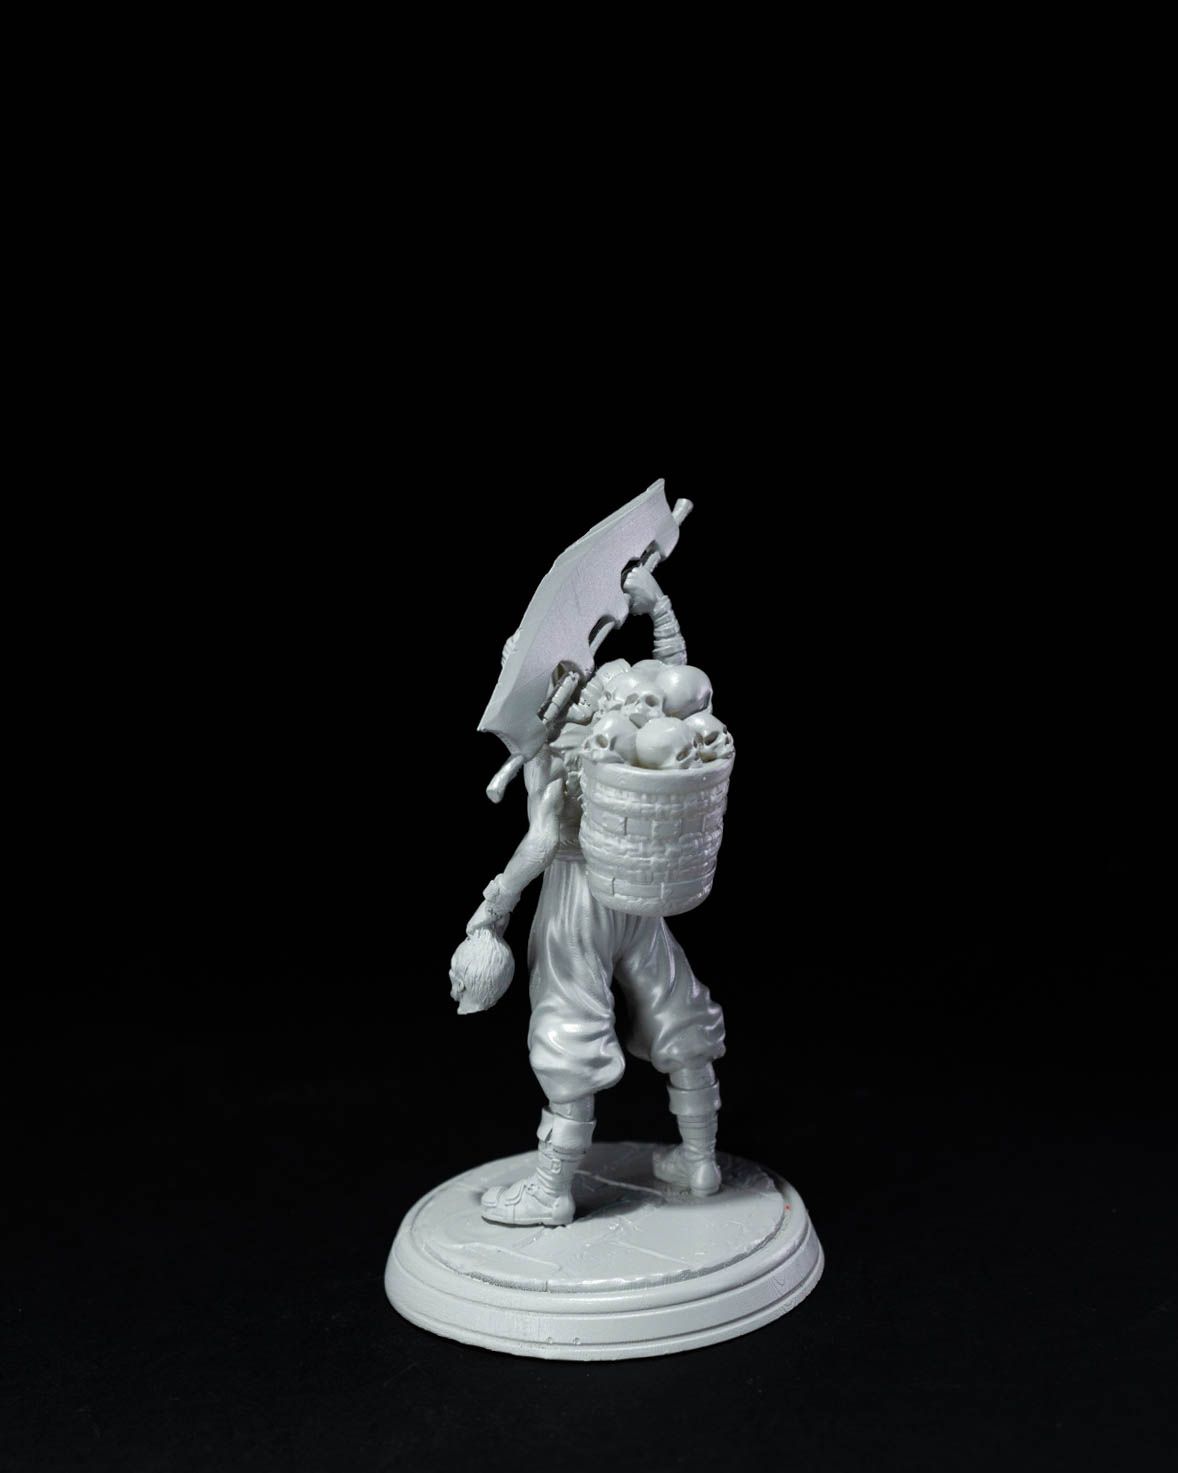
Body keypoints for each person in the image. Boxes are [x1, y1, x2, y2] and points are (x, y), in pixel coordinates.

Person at [449, 565, 726, 1226]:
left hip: (576, 895)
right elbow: (680, 690)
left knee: (566, 1028)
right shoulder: (612, 714)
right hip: (632, 882)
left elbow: (543, 840)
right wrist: (660, 609)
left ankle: (551, 1189)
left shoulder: (548, 742)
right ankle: (701, 1158)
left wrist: (497, 900)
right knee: (673, 1004)